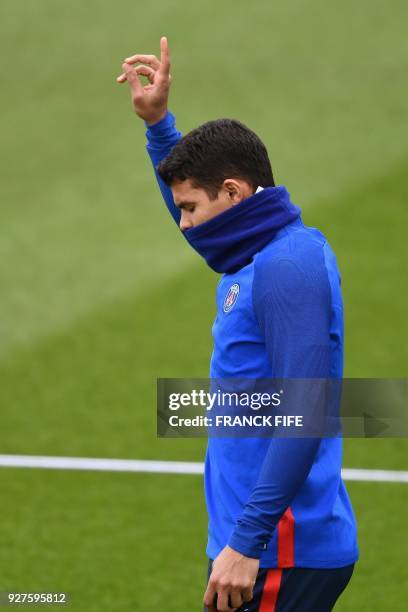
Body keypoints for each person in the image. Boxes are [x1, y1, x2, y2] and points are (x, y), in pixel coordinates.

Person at [117, 37, 358, 612]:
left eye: (191, 209)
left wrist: (247, 543)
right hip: (255, 543)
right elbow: (201, 214)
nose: (183, 225)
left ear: (234, 192)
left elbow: (306, 410)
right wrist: (158, 128)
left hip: (275, 550)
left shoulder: (287, 269)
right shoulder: (255, 249)